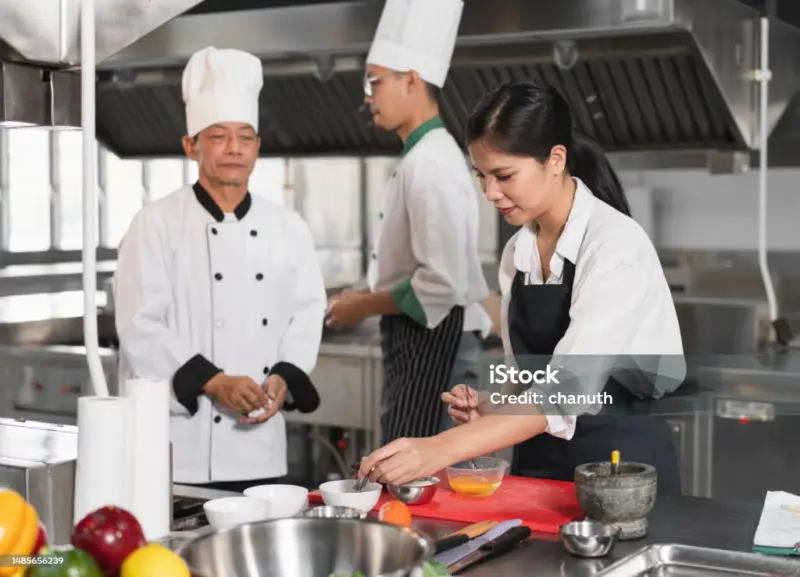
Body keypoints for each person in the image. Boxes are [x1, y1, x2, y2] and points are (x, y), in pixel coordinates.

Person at [358, 80, 687, 495]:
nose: (490, 193)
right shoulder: (518, 251)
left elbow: (566, 389)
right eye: (481, 176)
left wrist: (437, 449)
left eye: (504, 175)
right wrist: (492, 406)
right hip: (539, 472)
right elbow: (529, 382)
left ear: (555, 160)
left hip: (619, 476)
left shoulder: (614, 246)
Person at [113, 46, 327, 492]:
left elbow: (307, 312)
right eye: (218, 136)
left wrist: (284, 375)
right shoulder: (155, 223)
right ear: (190, 146)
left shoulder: (288, 227)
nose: (234, 149)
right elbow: (139, 327)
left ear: (258, 147)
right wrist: (213, 381)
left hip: (260, 444)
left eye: (245, 137)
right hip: (180, 451)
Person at [325, 0, 492, 443]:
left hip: (438, 342)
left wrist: (362, 305)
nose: (368, 96)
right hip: (421, 339)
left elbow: (441, 283)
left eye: (375, 81)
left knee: (420, 472)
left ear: (412, 80)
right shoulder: (424, 156)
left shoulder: (429, 163)